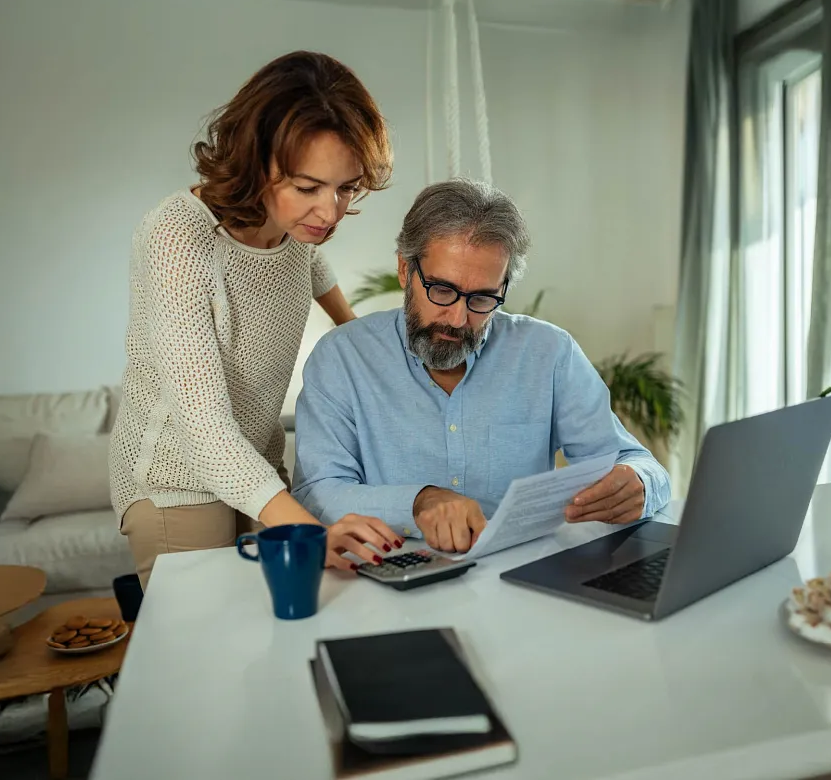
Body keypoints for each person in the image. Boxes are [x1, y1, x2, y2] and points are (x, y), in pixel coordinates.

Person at [110, 51, 404, 588]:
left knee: (281, 635)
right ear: (255, 159)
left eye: (346, 187)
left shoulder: (297, 234)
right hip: (178, 477)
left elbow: (314, 269)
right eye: (308, 187)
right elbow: (202, 429)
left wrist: (372, 352)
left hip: (258, 466)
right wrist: (313, 528)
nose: (331, 213)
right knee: (209, 656)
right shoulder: (178, 236)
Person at [292, 178, 671, 554]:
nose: (458, 319)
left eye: (483, 299)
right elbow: (316, 493)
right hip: (388, 577)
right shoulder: (341, 358)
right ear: (406, 271)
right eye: (442, 290)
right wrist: (418, 502)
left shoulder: (548, 353)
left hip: (520, 578)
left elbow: (633, 461)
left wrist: (639, 482)